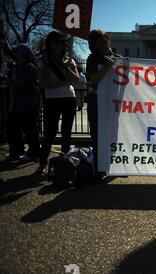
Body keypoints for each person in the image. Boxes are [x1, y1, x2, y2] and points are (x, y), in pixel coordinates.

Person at [36, 31, 80, 174]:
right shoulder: (43, 61)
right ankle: (42, 164)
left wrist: (66, 67)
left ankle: (65, 164)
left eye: (61, 42)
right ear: (49, 44)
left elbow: (77, 80)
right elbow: (43, 83)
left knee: (66, 132)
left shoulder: (68, 60)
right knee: (50, 132)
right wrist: (64, 82)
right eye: (55, 42)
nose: (58, 45)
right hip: (52, 99)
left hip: (69, 98)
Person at [85, 29, 118, 172]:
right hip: (96, 102)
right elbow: (94, 79)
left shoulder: (117, 58)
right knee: (98, 134)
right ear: (94, 46)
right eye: (100, 44)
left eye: (105, 42)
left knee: (114, 132)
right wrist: (107, 66)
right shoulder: (92, 59)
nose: (104, 46)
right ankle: (100, 166)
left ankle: (116, 164)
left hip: (113, 102)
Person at [5, 44, 41, 161]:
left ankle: (33, 153)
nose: (16, 55)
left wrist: (10, 81)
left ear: (24, 54)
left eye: (18, 53)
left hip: (28, 103)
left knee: (29, 129)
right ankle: (17, 151)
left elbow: (25, 83)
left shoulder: (29, 67)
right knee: (12, 127)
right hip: (19, 103)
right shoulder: (17, 67)